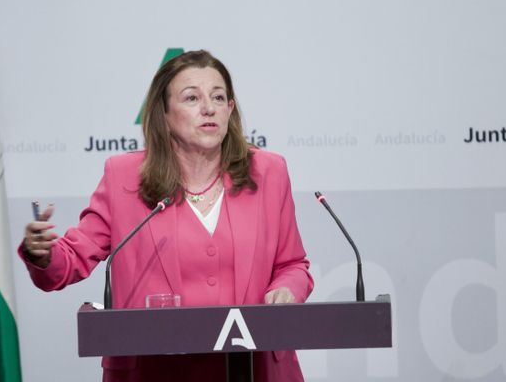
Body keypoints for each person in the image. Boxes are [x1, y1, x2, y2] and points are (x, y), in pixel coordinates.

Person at [19, 50, 313, 381]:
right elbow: (72, 258)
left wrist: (288, 289)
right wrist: (42, 253)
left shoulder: (268, 172)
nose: (209, 108)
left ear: (230, 109)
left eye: (219, 97)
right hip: (154, 369)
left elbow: (293, 265)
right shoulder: (125, 177)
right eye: (192, 98)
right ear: (164, 113)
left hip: (253, 368)